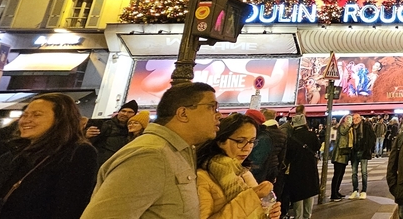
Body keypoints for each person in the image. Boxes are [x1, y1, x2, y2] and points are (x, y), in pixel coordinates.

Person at [81, 82, 221, 218]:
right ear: (183, 113)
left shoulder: (179, 150)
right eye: (212, 107)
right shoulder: (151, 155)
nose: (218, 115)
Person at [0, 93, 97, 219]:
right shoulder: (12, 154)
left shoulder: (78, 153)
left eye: (37, 115)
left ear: (60, 119)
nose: (26, 120)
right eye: (24, 115)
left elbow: (69, 207)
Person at [196, 113, 280, 219]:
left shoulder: (244, 173)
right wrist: (251, 197)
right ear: (221, 141)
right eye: (240, 141)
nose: (247, 148)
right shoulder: (203, 177)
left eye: (252, 141)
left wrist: (268, 215)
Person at [282, 115, 320, 219]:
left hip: (296, 169)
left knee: (298, 195)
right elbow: (318, 146)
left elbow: (287, 155)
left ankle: (298, 216)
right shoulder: (312, 135)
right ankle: (307, 216)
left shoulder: (291, 137)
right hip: (310, 168)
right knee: (309, 193)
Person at [85, 99, 138, 166]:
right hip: (99, 164)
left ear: (135, 115)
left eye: (130, 112)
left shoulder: (134, 131)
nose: (125, 114)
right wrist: (86, 136)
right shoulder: (104, 124)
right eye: (123, 111)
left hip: (120, 165)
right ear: (119, 112)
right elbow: (87, 144)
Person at [348, 113, 375, 199]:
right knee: (354, 173)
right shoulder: (351, 128)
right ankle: (355, 190)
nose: (355, 120)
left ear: (360, 118)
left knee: (364, 172)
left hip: (364, 151)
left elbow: (372, 137)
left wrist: (369, 148)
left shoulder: (366, 126)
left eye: (356, 118)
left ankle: (364, 191)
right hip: (354, 152)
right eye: (353, 118)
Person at [330, 115, 353, 201]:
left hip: (344, 153)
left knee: (341, 174)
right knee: (337, 174)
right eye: (348, 119)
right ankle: (333, 193)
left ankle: (337, 191)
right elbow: (343, 132)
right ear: (343, 120)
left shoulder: (347, 127)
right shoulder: (342, 126)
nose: (349, 121)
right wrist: (349, 125)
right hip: (339, 153)